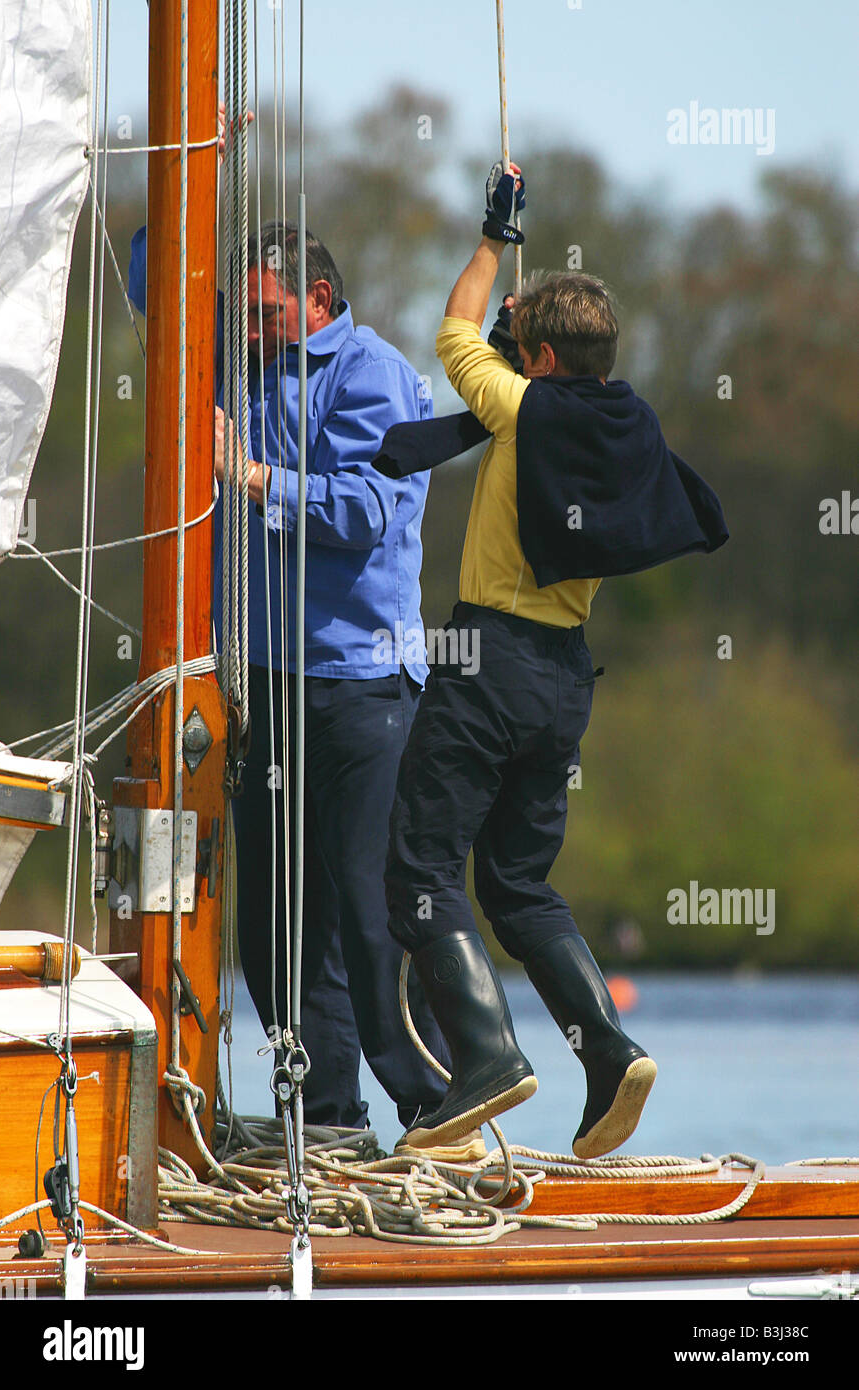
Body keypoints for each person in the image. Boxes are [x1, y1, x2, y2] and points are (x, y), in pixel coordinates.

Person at [383, 162, 724, 1159]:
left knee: (418, 865)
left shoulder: (524, 408)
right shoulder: (631, 427)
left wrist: (493, 238)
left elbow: (451, 332)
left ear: (534, 356)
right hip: (563, 680)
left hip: (487, 662)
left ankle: (484, 1057)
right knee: (518, 885)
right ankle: (608, 1050)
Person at [128, 139, 455, 1147]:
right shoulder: (246, 357)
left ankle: (436, 1104)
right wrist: (191, 151)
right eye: (246, 315)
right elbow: (151, 274)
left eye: (266, 313)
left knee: (364, 911)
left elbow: (369, 510)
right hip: (265, 683)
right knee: (269, 924)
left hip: (359, 688)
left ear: (317, 298)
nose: (251, 331)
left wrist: (255, 477)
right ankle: (325, 1116)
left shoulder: (374, 377)